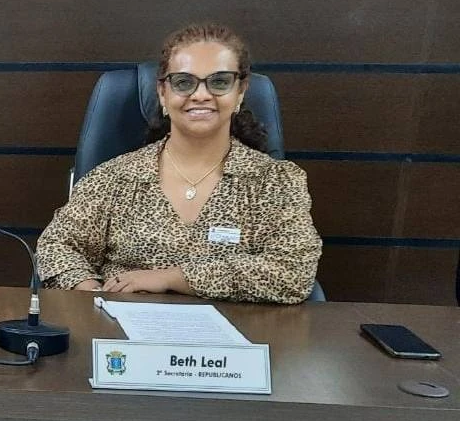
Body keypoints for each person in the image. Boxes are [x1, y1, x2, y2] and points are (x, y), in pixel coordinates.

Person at [37, 23, 321, 304]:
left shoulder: (275, 182)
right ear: (163, 92)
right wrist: (92, 296)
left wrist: (172, 278)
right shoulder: (114, 178)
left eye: (219, 82)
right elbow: (56, 247)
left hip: (238, 332)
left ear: (240, 91)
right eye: (184, 82)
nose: (201, 95)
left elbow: (293, 271)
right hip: (124, 327)